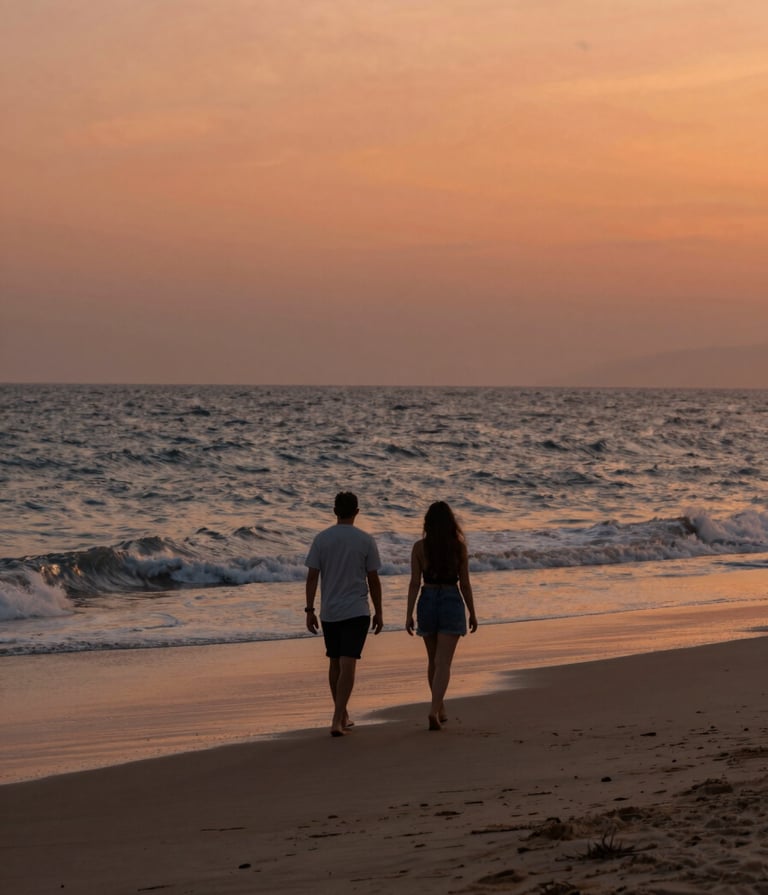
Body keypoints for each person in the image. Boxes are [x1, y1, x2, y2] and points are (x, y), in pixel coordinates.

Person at [305, 491, 383, 737]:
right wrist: (379, 611)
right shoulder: (366, 540)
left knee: (335, 662)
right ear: (357, 512)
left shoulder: (322, 539)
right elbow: (373, 578)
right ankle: (338, 718)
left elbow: (312, 576)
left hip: (330, 611)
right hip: (357, 609)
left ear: (334, 511)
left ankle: (342, 714)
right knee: (348, 663)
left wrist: (309, 609)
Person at [405, 501, 477, 730]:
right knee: (443, 662)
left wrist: (408, 613)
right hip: (450, 599)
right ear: (450, 523)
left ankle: (440, 706)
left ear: (427, 523)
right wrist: (472, 612)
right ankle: (435, 709)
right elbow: (464, 584)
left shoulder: (419, 547)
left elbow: (415, 583)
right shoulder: (458, 547)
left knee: (433, 660)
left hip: (427, 599)